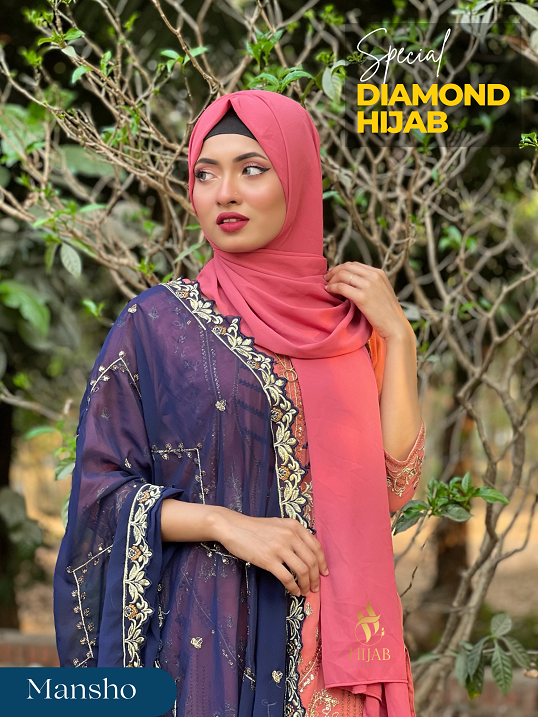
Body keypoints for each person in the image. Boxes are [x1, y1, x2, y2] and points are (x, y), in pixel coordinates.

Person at [53, 90, 426, 717]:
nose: (224, 193)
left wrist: (400, 338)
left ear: (298, 181)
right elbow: (99, 496)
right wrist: (225, 523)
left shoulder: (348, 327)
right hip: (207, 642)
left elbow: (395, 487)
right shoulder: (157, 325)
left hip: (338, 657)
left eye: (252, 169)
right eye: (206, 174)